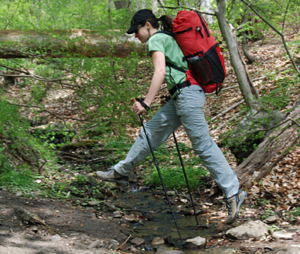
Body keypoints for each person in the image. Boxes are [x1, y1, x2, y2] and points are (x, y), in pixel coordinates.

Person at [97, 9, 246, 225]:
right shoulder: (168, 38)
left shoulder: (157, 39)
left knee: (203, 145)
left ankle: (234, 193)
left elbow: (159, 72)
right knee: (151, 132)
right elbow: (176, 70)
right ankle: (121, 171)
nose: (135, 36)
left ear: (147, 25)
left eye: (136, 31)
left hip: (187, 96)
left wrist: (145, 103)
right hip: (181, 97)